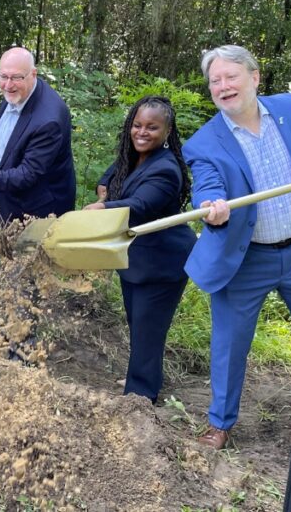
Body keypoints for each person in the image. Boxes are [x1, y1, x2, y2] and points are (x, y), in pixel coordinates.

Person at [184, 44, 291, 449]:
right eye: (215, 81)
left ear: (254, 77)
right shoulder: (203, 143)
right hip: (245, 260)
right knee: (229, 343)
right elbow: (206, 185)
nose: (222, 87)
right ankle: (220, 424)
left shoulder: (290, 109)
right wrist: (210, 206)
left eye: (230, 77)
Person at [83, 96, 196, 402]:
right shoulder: (135, 156)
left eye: (152, 127)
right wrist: (105, 187)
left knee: (149, 329)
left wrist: (104, 206)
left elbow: (141, 205)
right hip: (137, 259)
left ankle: (141, 397)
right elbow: (112, 173)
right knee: (139, 323)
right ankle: (140, 378)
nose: (142, 132)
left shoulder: (166, 169)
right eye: (137, 125)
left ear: (167, 131)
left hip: (162, 261)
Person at [0, 47, 75, 223]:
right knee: (6, 250)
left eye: (16, 77)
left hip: (37, 213)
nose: (8, 84)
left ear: (33, 74)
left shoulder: (48, 121)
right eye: (3, 76)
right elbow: (15, 129)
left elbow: (28, 174)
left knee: (25, 252)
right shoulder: (19, 91)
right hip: (10, 199)